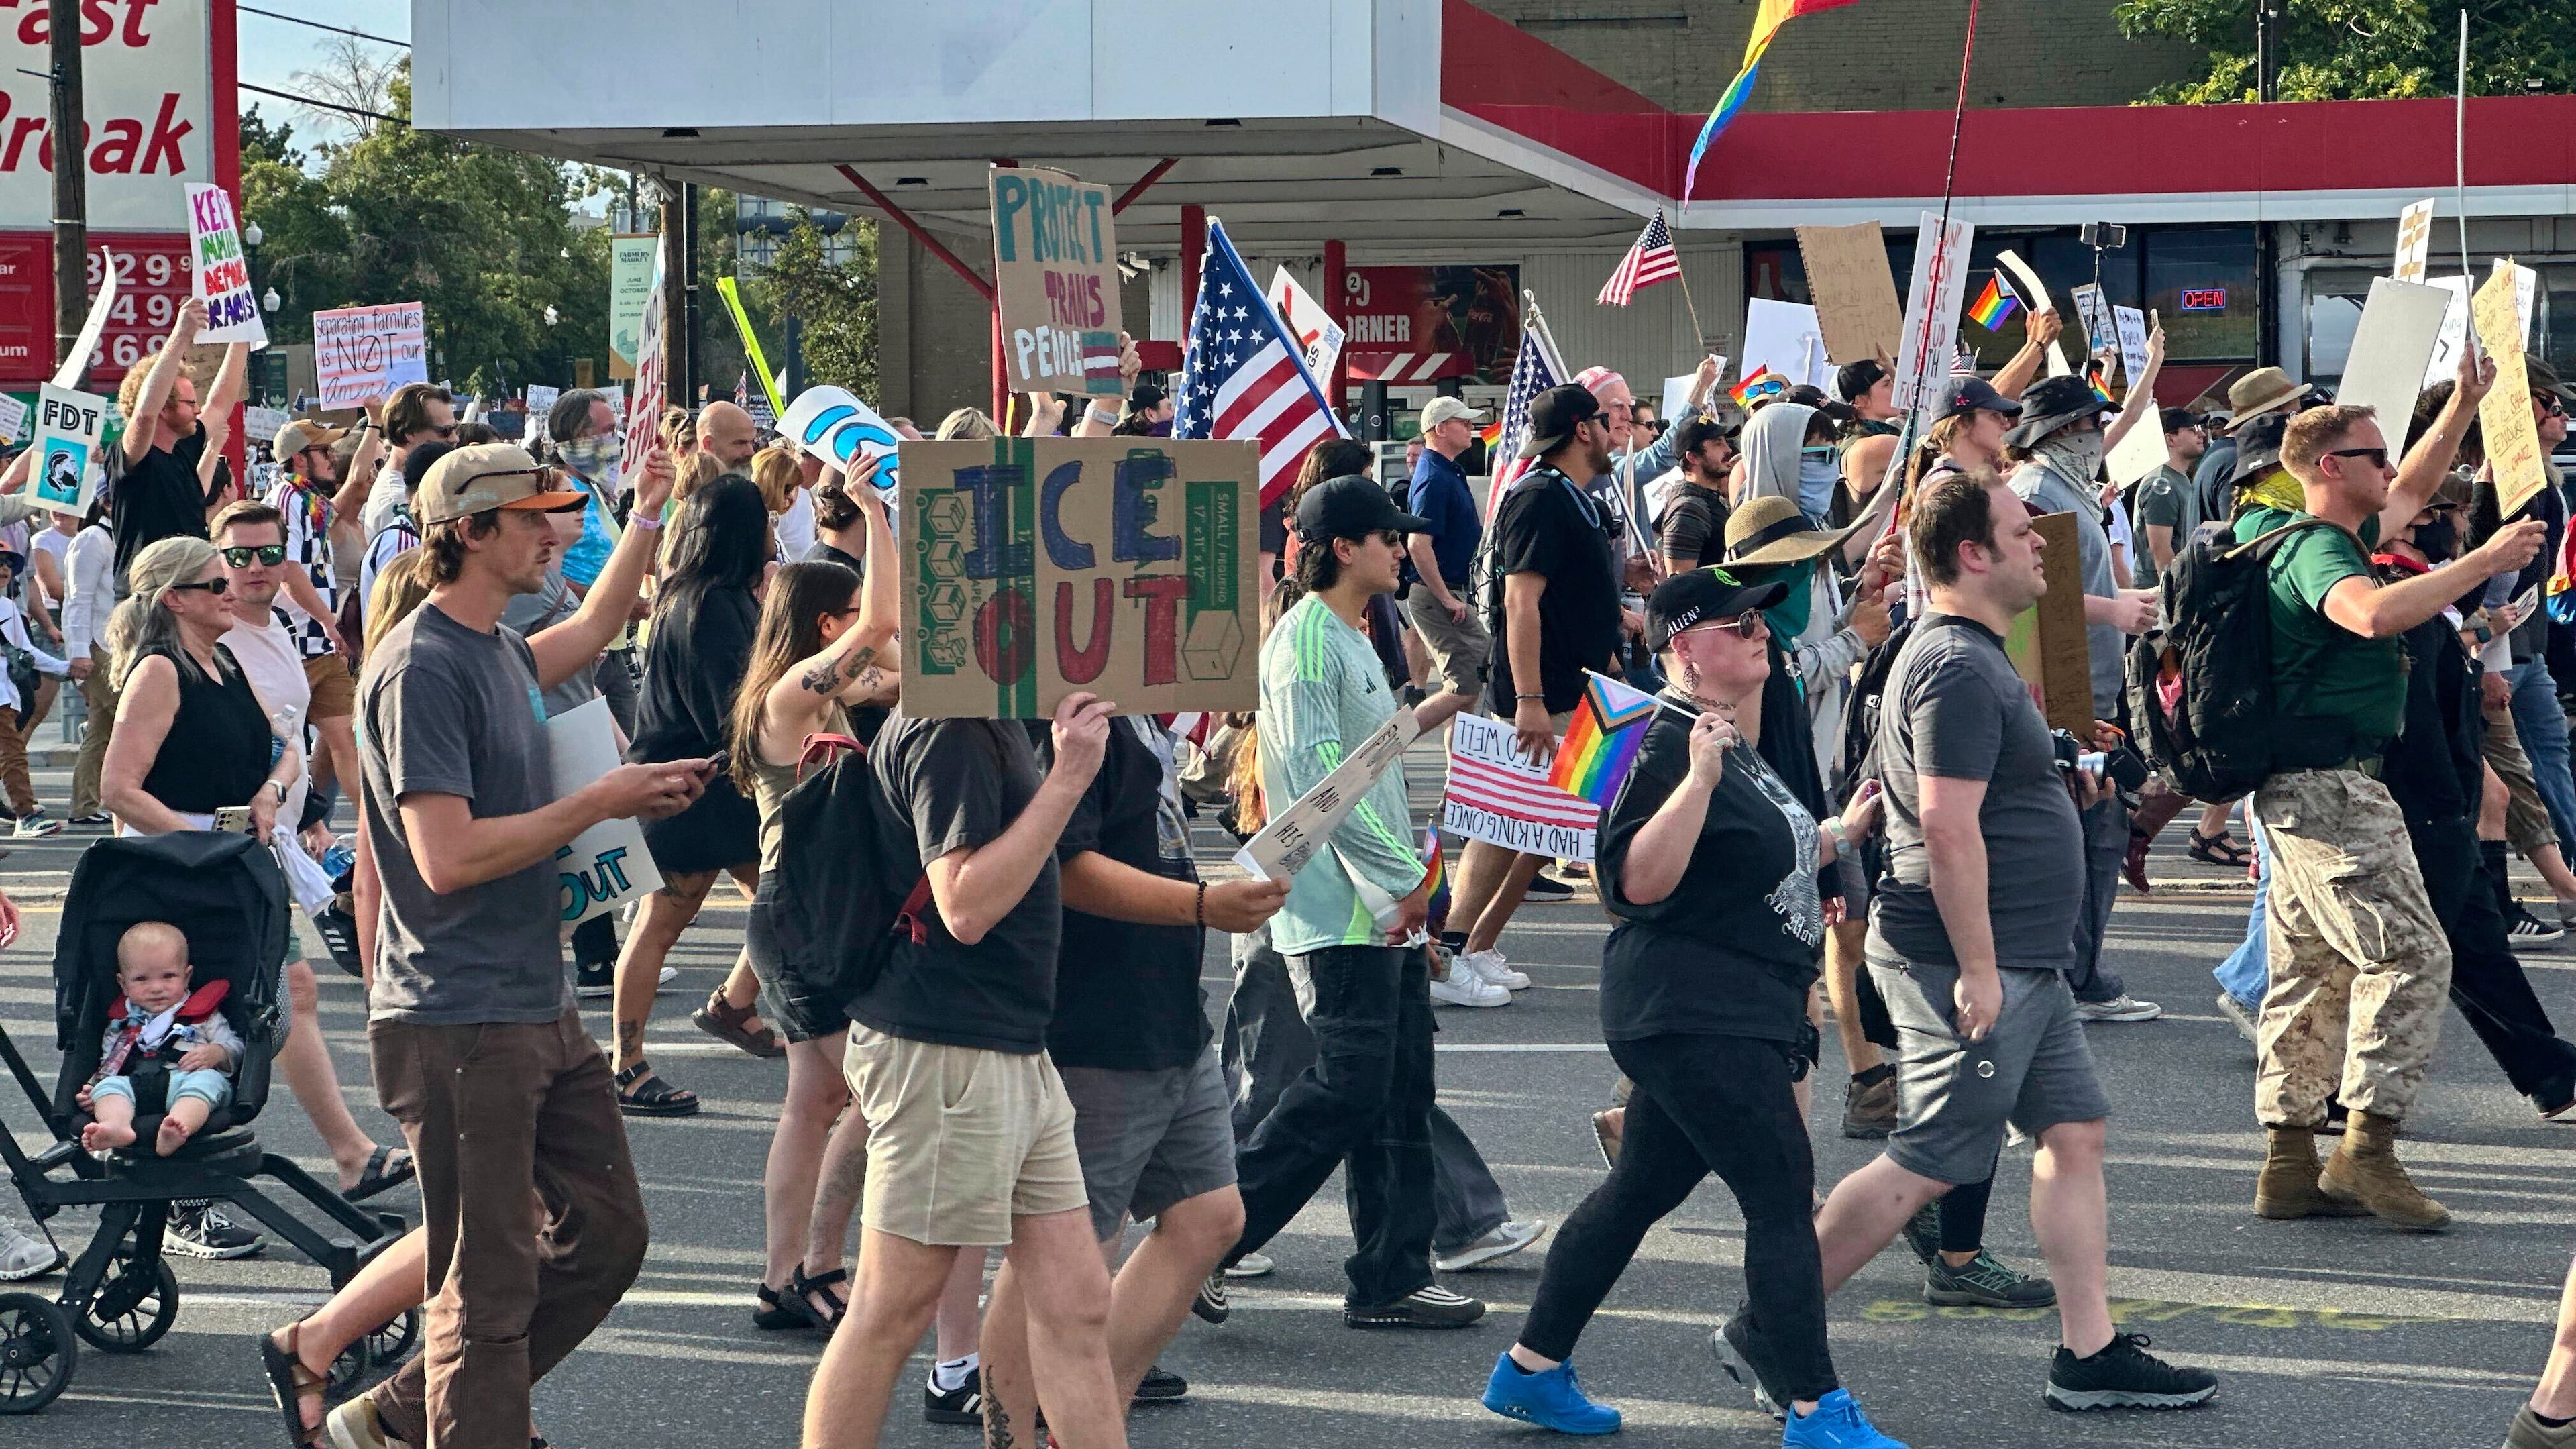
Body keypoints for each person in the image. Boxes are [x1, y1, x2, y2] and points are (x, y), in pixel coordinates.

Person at [1797, 469, 2218, 1414]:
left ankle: (2089, 1350)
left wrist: (2059, 779)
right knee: (1933, 1156)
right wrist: (1980, 971)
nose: (2042, 546)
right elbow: (1944, 827)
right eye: (2023, 532)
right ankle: (1769, 1322)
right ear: (1972, 555)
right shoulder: (1955, 663)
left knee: (2073, 1133)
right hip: (1970, 962)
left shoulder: (1976, 654)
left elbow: (1983, 795)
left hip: (2023, 957)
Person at [326, 440, 700, 1449]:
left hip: (531, 1001)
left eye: (559, 514)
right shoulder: (421, 666)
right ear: (470, 532)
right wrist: (603, 798)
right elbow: (445, 859)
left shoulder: (494, 645)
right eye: (535, 518)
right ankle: (466, 1427)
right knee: (485, 1285)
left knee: (608, 1236)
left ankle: (406, 1413)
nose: (557, 533)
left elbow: (594, 624)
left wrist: (654, 513)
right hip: (459, 1016)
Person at [1484, 567, 1904, 1448]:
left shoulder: (1723, 734)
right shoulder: (1652, 735)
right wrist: (1699, 781)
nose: (1763, 633)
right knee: (1783, 1200)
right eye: (1741, 624)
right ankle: (1817, 1411)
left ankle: (1528, 1371)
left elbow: (1742, 856)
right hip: (1693, 1007)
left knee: (1641, 1187)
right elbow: (1635, 881)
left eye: (1760, 622)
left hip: (1727, 1002)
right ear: (1685, 646)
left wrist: (1838, 838)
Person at [2235, 379, 2542, 1230]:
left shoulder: (2290, 526)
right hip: (2332, 787)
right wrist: (2483, 561)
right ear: (2332, 468)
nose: (2396, 472)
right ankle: (2366, 1150)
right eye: (2375, 453)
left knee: (2311, 971)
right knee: (2412, 956)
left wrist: (2463, 404)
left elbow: (2409, 486)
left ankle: (2289, 1160)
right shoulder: (2321, 551)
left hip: (2302, 786)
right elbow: (2369, 616)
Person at [797, 688, 1128, 1449]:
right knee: (891, 1308)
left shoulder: (990, 715)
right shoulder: (950, 725)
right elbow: (966, 905)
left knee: (1076, 1303)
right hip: (946, 1050)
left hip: (1006, 1045)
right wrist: (1068, 776)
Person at [978, 704, 1292, 1432]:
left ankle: (1082, 1417)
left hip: (1166, 1009)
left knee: (1211, 1219)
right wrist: (1204, 904)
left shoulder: (1137, 715)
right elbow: (1068, 869)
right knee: (1054, 1260)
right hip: (1098, 1018)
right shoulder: (1070, 713)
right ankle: (1020, 1436)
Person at [1212, 474, 1477, 1332]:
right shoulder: (1307, 645)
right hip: (1340, 910)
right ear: (1342, 549)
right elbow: (1331, 791)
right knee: (1350, 1086)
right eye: (1387, 537)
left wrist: (1408, 885)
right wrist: (1403, 883)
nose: (1402, 550)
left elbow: (1377, 771)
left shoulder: (1356, 633)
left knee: (1399, 1088)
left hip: (1380, 907)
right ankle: (1206, 1236)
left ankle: (1393, 1275)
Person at [726, 465, 902, 1336]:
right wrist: (872, 511)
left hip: (817, 914)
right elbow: (889, 628)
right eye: (852, 621)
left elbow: (908, 662)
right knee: (873, 1090)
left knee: (815, 1101)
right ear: (827, 627)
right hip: (799, 920)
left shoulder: (824, 687)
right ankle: (815, 1264)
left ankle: (779, 1275)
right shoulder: (791, 694)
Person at [97, 535, 302, 1260]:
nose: (232, 589)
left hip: (242, 870)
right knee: (205, 1031)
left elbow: (286, 743)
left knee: (272, 1015)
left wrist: (270, 794)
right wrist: (198, 841)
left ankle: (186, 1168)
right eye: (214, 582)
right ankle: (181, 1193)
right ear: (175, 598)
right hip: (183, 880)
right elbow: (118, 788)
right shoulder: (160, 669)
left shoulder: (227, 659)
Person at [210, 501, 417, 1201]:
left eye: (270, 553)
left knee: (275, 996)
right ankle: (184, 1182)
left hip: (265, 841)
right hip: (210, 848)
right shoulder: (202, 634)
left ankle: (350, 1155)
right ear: (214, 560)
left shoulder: (297, 628)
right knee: (218, 1006)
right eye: (239, 556)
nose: (256, 569)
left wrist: (360, 819)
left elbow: (333, 734)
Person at [2368, 476, 2576, 1116]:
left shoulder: (2423, 584)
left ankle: (2550, 1072)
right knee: (2414, 954)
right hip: (2413, 799)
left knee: (2470, 940)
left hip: (2443, 795)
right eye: (2447, 512)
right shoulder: (2384, 585)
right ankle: (2347, 1110)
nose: (2456, 524)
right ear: (2406, 521)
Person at [609, 474, 778, 1114]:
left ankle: (734, 1006)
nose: (773, 528)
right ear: (740, 531)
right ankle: (626, 1065)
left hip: (710, 788)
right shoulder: (708, 604)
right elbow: (732, 710)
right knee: (661, 924)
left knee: (782, 903)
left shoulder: (709, 594)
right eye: (764, 517)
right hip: (691, 791)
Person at [1444, 386, 1623, 985]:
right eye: (1606, 417)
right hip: (1542, 697)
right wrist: (1529, 700)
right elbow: (1521, 602)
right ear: (1581, 429)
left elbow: (1575, 595)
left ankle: (1475, 947)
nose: (1614, 427)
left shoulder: (1574, 496)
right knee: (1503, 823)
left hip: (1581, 689)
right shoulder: (1542, 496)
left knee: (1549, 829)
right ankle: (1447, 954)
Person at [2001, 373, 2163, 1024]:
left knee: (2094, 830)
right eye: (2091, 424)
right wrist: (2115, 611)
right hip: (2064, 698)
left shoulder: (2063, 486)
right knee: (2088, 833)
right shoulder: (2037, 494)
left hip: (2083, 688)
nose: (2101, 433)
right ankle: (2077, 979)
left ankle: (2078, 974)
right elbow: (2032, 593)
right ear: (2063, 432)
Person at [268, 413, 384, 808]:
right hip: (293, 644)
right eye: (324, 451)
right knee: (286, 750)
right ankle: (290, 832)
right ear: (299, 459)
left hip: (319, 643)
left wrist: (375, 424)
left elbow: (356, 479)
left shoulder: (311, 501)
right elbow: (289, 572)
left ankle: (376, 834)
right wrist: (328, 622)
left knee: (347, 742)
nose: (333, 457)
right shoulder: (288, 502)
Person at [112, 300, 248, 590]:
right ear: (164, 407)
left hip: (193, 593)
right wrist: (181, 335)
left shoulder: (182, 447)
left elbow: (220, 404)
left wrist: (242, 337)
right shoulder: (134, 455)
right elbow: (145, 414)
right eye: (189, 403)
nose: (198, 410)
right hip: (151, 600)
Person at [75, 921, 241, 1157]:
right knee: (109, 1087)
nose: (156, 988)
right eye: (142, 979)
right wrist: (94, 1089)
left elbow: (236, 1047)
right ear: (123, 984)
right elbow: (110, 1065)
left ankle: (177, 1126)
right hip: (135, 1086)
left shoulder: (204, 1016)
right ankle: (116, 1126)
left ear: (187, 977)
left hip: (186, 1081)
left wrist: (217, 1053)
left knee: (208, 1081)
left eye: (168, 976)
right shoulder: (121, 1023)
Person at [544, 388, 644, 735]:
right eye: (603, 431)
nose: (612, 440)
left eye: (615, 430)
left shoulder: (593, 490)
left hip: (609, 644)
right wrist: (607, 602)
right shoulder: (559, 493)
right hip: (579, 644)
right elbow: (544, 569)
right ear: (574, 437)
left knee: (628, 750)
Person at [1404, 395, 1492, 731]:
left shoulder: (1445, 471)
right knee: (1464, 685)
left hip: (1450, 593)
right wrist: (1445, 598)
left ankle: (1457, 776)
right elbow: (1418, 543)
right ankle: (1390, 750)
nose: (1472, 428)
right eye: (1464, 422)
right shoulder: (1434, 477)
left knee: (1469, 687)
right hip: (1438, 594)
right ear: (1440, 429)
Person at [2191, 367, 2312, 533]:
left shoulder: (2222, 452)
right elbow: (2240, 535)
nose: (2298, 421)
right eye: (2293, 414)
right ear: (2268, 416)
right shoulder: (2241, 461)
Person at [0, 545, 67, 835]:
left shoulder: (8, 608)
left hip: (5, 693)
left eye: (7, 563)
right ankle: (26, 815)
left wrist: (65, 668)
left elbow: (26, 651)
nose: (4, 569)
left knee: (11, 751)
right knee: (13, 751)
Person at [59, 498, 112, 825]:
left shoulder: (120, 536)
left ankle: (85, 805)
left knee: (102, 730)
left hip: (120, 645)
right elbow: (78, 598)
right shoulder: (92, 538)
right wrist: (78, 652)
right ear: (106, 502)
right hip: (97, 644)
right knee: (136, 719)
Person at [359, 382, 460, 539]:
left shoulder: (410, 485)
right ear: (409, 433)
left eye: (456, 428)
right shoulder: (396, 500)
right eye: (445, 431)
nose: (455, 438)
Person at [1654, 415, 1735, 574]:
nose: (1728, 450)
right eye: (1718, 444)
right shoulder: (1689, 509)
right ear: (1693, 457)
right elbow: (1680, 583)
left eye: (1726, 442)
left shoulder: (1709, 499)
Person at [2132, 408, 2206, 573]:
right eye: (2192, 430)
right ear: (2170, 439)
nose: (2202, 435)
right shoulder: (2160, 484)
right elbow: (2161, 553)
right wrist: (2174, 596)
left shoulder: (2179, 478)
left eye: (2200, 429)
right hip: (2157, 592)